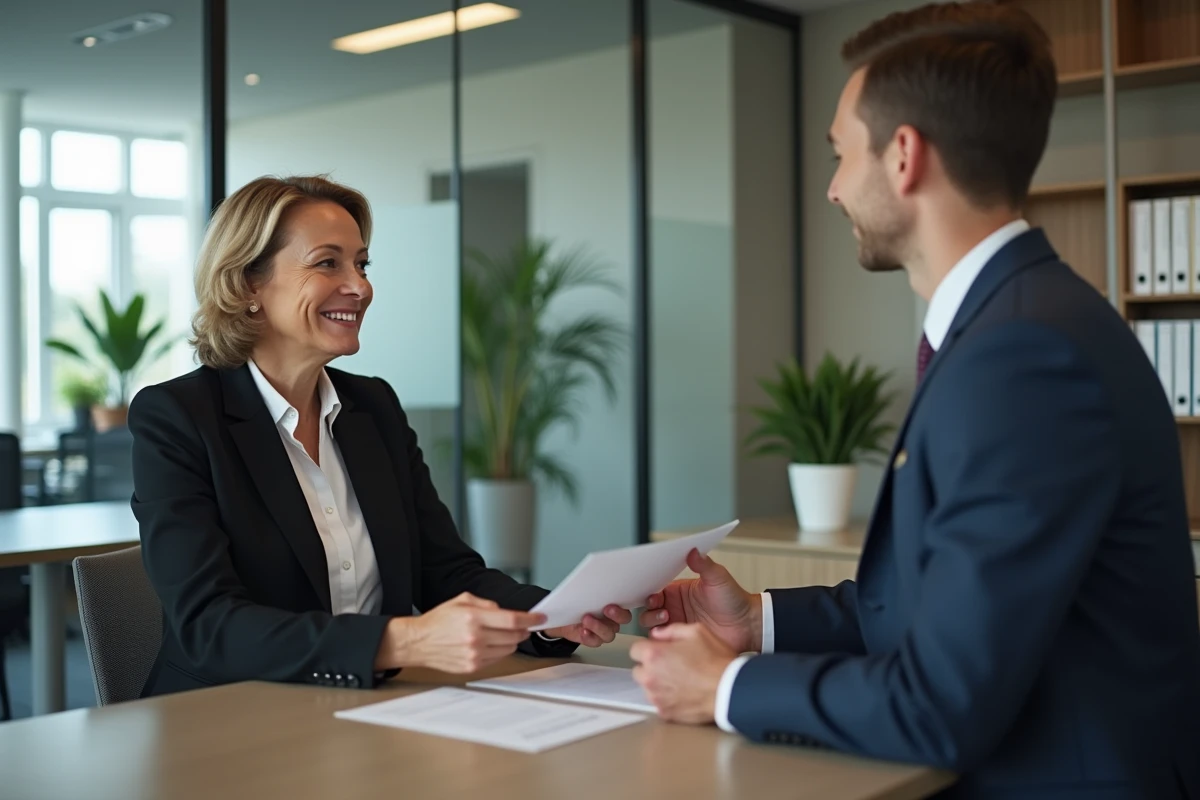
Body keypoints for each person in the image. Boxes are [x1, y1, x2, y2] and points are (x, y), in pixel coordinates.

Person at [629, 3, 1200, 797]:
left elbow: (945, 700)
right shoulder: (1023, 322)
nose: (831, 190)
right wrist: (757, 621)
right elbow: (938, 608)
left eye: (840, 153)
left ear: (904, 156)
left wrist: (721, 688)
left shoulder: (1022, 357)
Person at [128, 175, 630, 697]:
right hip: (225, 719)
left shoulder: (373, 407)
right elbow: (210, 626)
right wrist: (406, 641)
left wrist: (549, 616)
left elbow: (444, 569)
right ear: (249, 283)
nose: (360, 286)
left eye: (361, 264)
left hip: (369, 708)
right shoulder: (177, 416)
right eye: (328, 263)